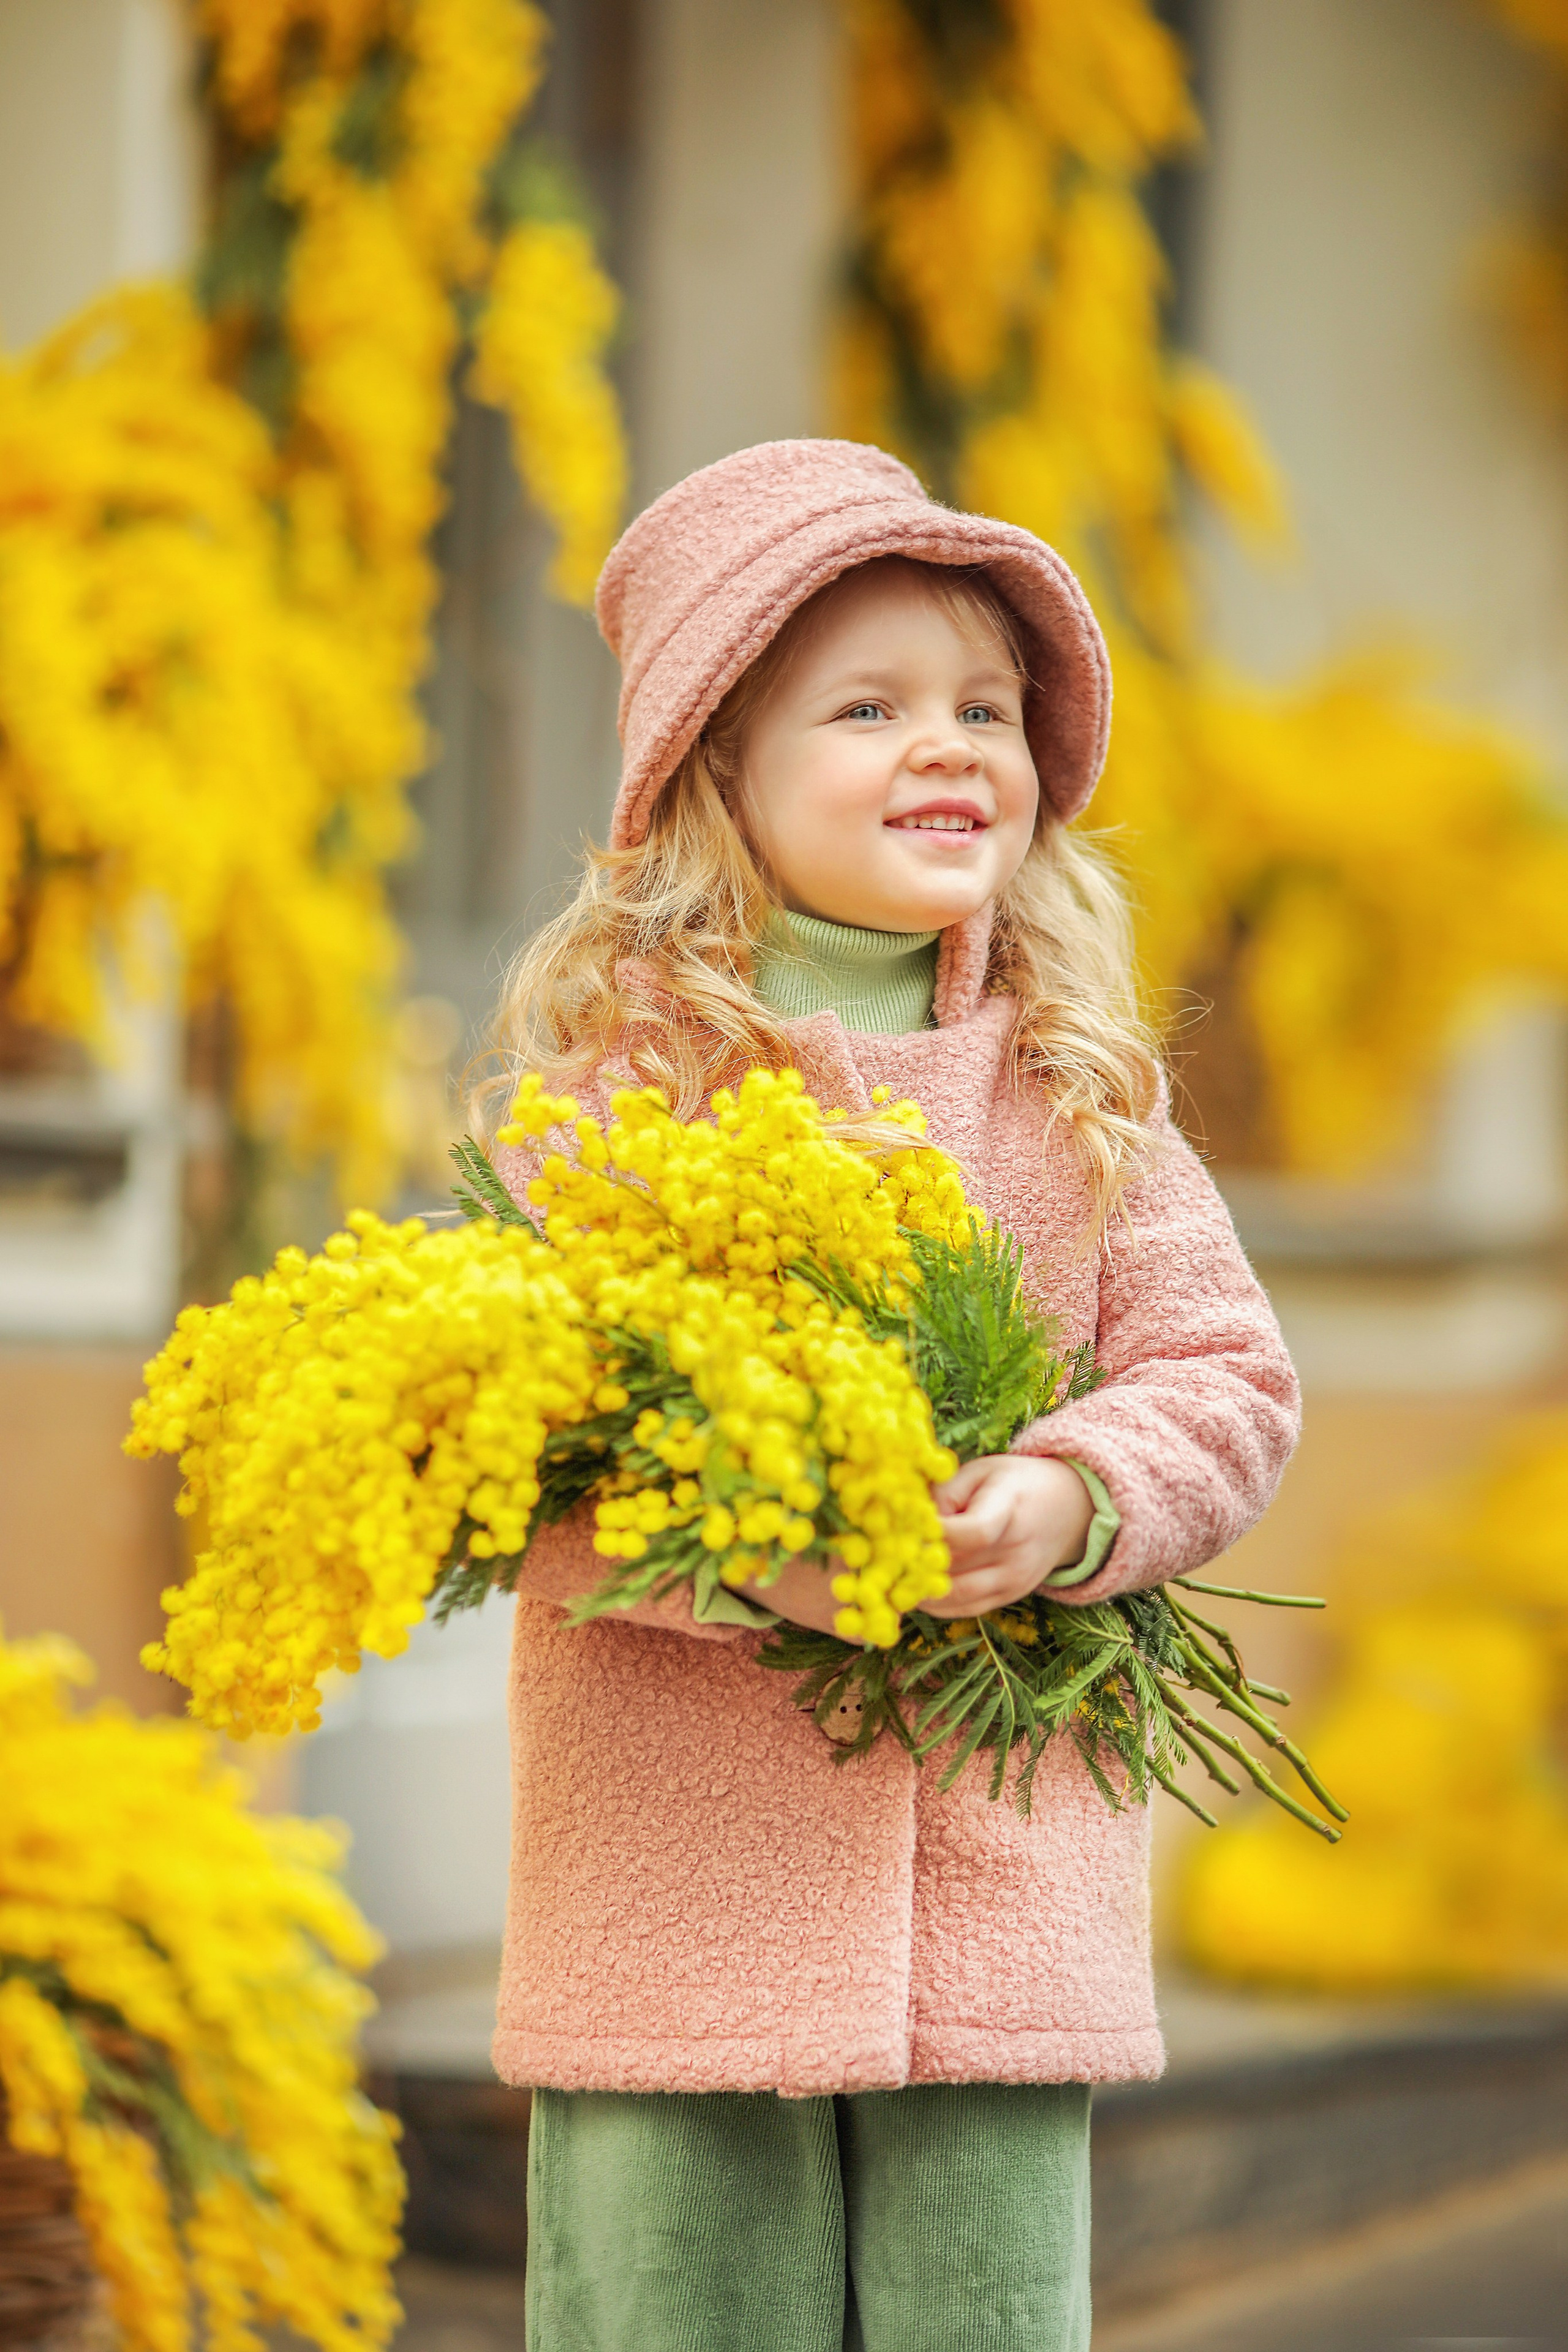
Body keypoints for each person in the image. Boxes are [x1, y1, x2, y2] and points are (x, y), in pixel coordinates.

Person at [481, 439, 1300, 2352]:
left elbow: (1224, 1375)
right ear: (713, 772)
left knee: (984, 2318)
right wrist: (751, 1549)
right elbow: (521, 1446)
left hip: (1004, 1864)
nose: (952, 748)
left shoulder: (1080, 1094)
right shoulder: (614, 1108)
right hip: (680, 1878)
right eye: (870, 707)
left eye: (989, 709)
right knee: (676, 2310)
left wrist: (1072, 1499)